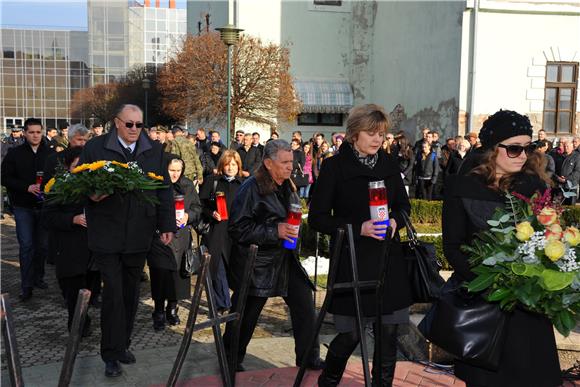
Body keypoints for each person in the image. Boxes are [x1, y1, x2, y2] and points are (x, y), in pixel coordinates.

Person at [443, 109, 561, 387]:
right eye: (514, 149)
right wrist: (491, 282)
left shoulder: (535, 185)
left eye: (528, 148)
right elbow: (452, 247)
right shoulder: (463, 186)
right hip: (485, 306)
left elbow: (548, 238)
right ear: (492, 150)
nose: (522, 155)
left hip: (529, 306)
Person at [309, 104, 412, 386]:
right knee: (351, 335)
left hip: (387, 261)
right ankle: (328, 382)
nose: (378, 139)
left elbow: (404, 207)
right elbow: (317, 219)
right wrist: (357, 228)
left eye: (381, 133)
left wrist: (394, 222)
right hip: (352, 260)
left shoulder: (389, 164)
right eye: (371, 133)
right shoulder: (334, 166)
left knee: (388, 333)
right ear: (354, 134)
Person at [79, 104, 174, 377]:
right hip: (106, 234)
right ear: (116, 123)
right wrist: (91, 195)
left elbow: (164, 190)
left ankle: (122, 345)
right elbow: (80, 183)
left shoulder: (154, 150)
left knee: (130, 293)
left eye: (139, 125)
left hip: (138, 233)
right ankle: (109, 353)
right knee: (113, 294)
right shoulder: (96, 148)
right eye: (129, 124)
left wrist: (166, 224)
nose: (135, 129)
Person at [223, 139, 324, 372]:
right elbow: (237, 228)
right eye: (285, 162)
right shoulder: (250, 188)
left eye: (292, 161)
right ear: (268, 163)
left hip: (285, 259)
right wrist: (274, 230)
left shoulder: (286, 185)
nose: (291, 166)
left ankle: (308, 356)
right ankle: (230, 358)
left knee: (304, 303)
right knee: (246, 314)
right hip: (257, 264)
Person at [41, 147, 94, 336]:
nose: (81, 169)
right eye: (76, 165)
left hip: (92, 250)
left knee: (89, 289)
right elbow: (47, 217)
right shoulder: (58, 186)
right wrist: (73, 219)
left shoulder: (97, 184)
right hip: (69, 248)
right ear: (68, 166)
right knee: (72, 291)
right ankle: (77, 326)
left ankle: (82, 320)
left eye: (85, 165)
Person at [1, 118, 53, 300]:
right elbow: (5, 178)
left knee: (43, 246)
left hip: (44, 206)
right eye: (31, 132)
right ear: (24, 133)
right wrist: (26, 187)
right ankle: (26, 285)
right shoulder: (14, 154)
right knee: (26, 245)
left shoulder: (50, 153)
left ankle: (38, 277)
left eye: (38, 132)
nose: (35, 135)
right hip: (23, 206)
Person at [147, 156, 201, 331]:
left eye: (178, 170)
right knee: (160, 274)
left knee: (177, 276)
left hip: (181, 237)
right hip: (160, 237)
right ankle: (159, 311)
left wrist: (188, 216)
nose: (175, 174)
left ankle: (172, 308)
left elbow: (197, 208)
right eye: (172, 170)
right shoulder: (156, 183)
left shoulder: (187, 185)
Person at [199, 150, 244, 312]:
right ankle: (222, 303)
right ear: (222, 165)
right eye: (227, 164)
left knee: (235, 267)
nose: (230, 168)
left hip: (236, 233)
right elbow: (200, 205)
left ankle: (233, 300)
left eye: (234, 164)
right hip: (216, 231)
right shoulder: (213, 181)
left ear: (238, 166)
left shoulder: (244, 184)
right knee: (216, 268)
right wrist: (212, 213)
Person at [558, 137, 580, 204]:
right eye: (564, 146)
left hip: (571, 186)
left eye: (567, 146)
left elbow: (577, 172)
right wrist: (558, 177)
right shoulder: (561, 156)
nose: (566, 148)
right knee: (561, 207)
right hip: (561, 186)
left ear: (572, 147)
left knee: (570, 206)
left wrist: (566, 179)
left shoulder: (577, 157)